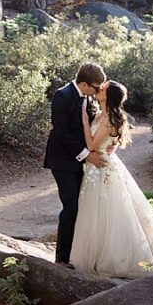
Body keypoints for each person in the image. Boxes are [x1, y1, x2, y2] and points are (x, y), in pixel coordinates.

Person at [68, 79, 153, 278]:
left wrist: (83, 121)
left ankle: (116, 259)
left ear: (109, 96)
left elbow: (91, 146)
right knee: (95, 211)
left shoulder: (109, 119)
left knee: (109, 211)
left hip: (101, 167)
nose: (99, 89)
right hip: (97, 166)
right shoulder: (100, 114)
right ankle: (96, 256)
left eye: (103, 88)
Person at [44, 60, 108, 264]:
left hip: (81, 163)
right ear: (85, 84)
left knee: (82, 206)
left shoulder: (88, 99)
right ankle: (61, 259)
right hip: (62, 161)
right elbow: (61, 132)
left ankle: (76, 254)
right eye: (96, 87)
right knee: (70, 207)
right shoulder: (62, 95)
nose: (97, 92)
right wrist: (85, 154)